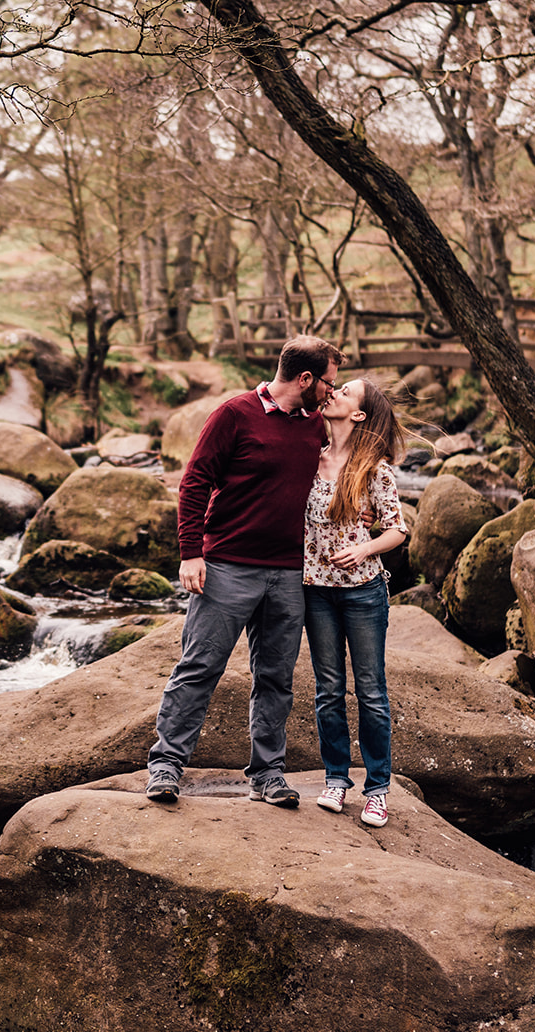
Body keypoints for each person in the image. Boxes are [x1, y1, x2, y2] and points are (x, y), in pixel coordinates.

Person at [145, 334, 342, 807]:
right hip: (227, 566)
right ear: (305, 378)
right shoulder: (234, 414)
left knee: (276, 678)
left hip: (289, 574)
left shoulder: (316, 426)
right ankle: (166, 766)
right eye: (328, 383)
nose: (332, 393)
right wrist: (191, 552)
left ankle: (268, 775)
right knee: (199, 667)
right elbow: (193, 482)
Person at [302, 377, 408, 828]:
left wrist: (364, 548)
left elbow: (398, 530)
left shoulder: (375, 470)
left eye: (345, 392)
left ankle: (378, 790)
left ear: (359, 414)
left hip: (364, 593)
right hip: (316, 591)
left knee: (371, 693)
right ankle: (336, 780)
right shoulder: (309, 457)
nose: (334, 394)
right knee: (328, 691)